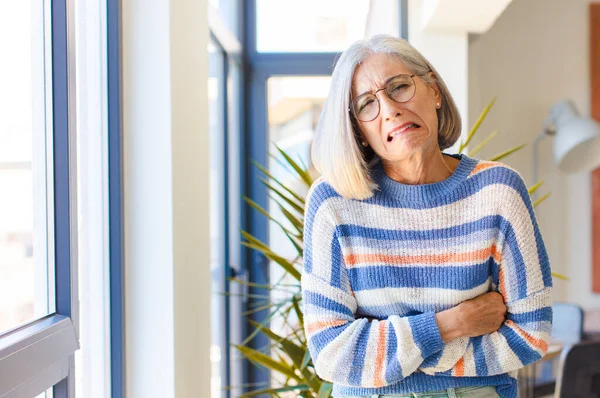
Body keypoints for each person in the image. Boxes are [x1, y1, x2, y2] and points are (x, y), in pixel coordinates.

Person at [301, 34, 552, 398]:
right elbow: (330, 353)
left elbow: (531, 333)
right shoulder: (333, 203)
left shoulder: (498, 192)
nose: (389, 109)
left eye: (399, 87)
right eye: (366, 104)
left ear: (434, 90)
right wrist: (450, 325)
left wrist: (396, 355)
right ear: (359, 130)